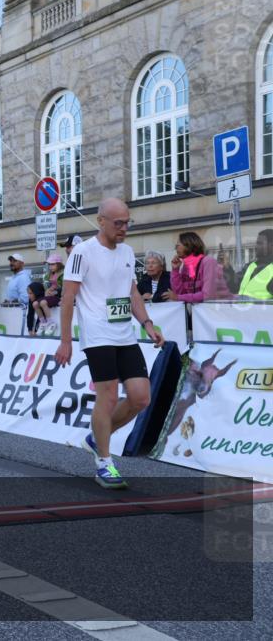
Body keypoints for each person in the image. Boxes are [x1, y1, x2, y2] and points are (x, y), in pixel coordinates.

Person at [55, 197, 164, 489]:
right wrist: (65, 340)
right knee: (109, 397)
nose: (124, 228)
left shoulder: (127, 251)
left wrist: (148, 325)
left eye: (127, 223)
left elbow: (131, 293)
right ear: (101, 221)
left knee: (141, 397)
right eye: (119, 223)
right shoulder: (82, 252)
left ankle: (95, 438)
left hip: (124, 334)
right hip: (96, 334)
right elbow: (68, 299)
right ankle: (104, 463)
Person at [163, 231, 232, 303]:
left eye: (178, 245)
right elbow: (180, 293)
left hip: (221, 309)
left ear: (189, 245)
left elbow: (207, 295)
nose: (175, 248)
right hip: (202, 311)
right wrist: (175, 270)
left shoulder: (208, 262)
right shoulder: (187, 266)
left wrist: (178, 297)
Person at [237, 229, 273, 300]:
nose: (256, 246)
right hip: (240, 310)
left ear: (271, 245)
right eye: (257, 243)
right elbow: (234, 286)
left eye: (260, 243)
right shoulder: (250, 265)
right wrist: (226, 268)